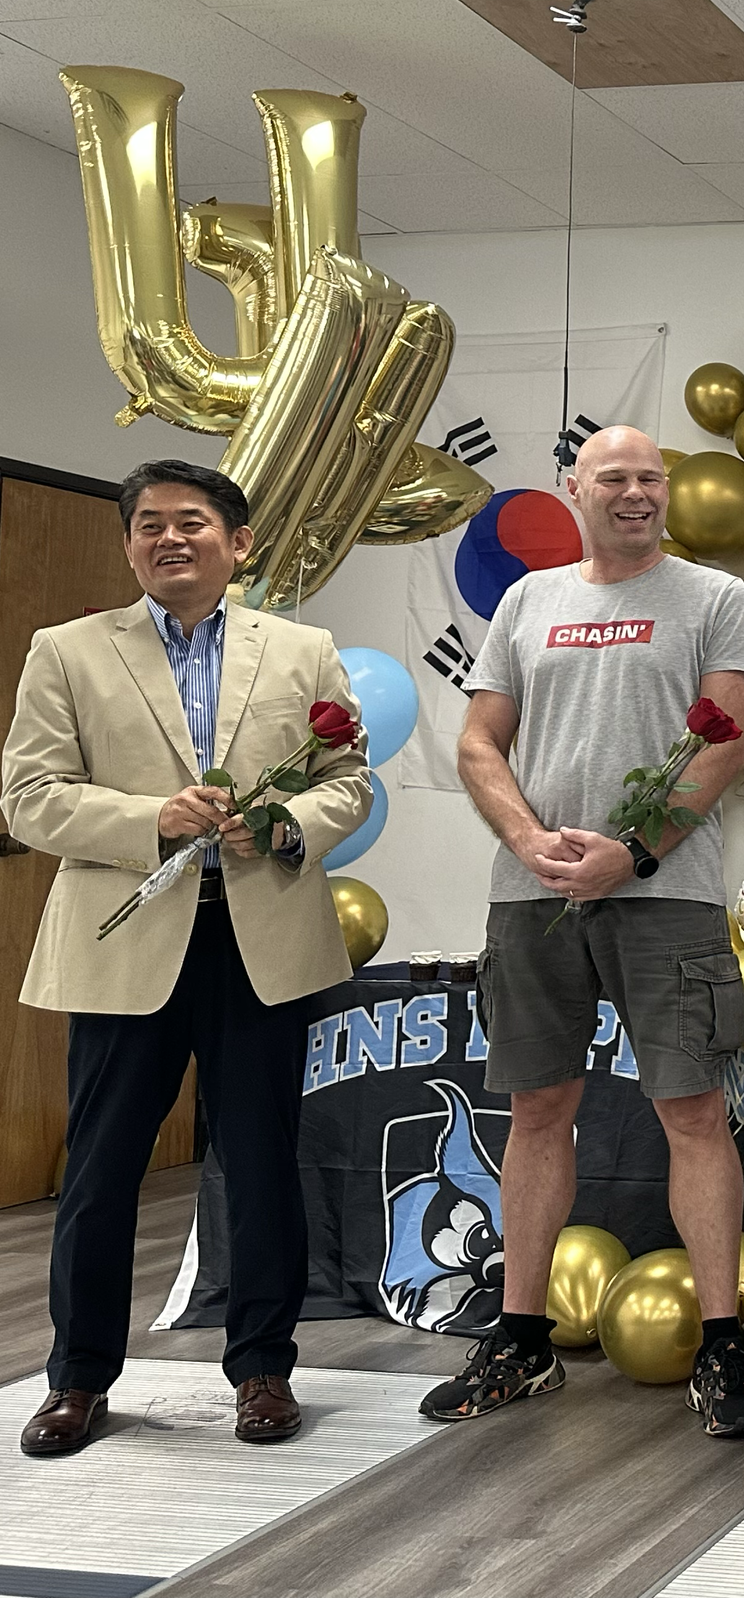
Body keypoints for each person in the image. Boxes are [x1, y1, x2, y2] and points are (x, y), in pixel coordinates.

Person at [6, 460, 371, 1458]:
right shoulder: (68, 651)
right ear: (128, 546)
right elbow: (28, 796)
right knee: (102, 1169)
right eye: (151, 526)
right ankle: (79, 1379)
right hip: (128, 941)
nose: (172, 539)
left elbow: (350, 778)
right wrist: (148, 819)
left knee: (259, 1163)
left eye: (194, 523)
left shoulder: (302, 650)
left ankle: (262, 1369)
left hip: (260, 941)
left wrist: (290, 823)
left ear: (237, 543)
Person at [422, 427, 744, 1439]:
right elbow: (479, 742)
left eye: (649, 478)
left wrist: (635, 850)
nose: (634, 493)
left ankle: (720, 1346)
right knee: (537, 1109)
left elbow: (727, 739)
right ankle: (522, 1341)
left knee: (694, 1112)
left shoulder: (713, 597)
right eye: (613, 478)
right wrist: (529, 839)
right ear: (573, 488)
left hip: (666, 895)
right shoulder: (529, 602)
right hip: (532, 895)